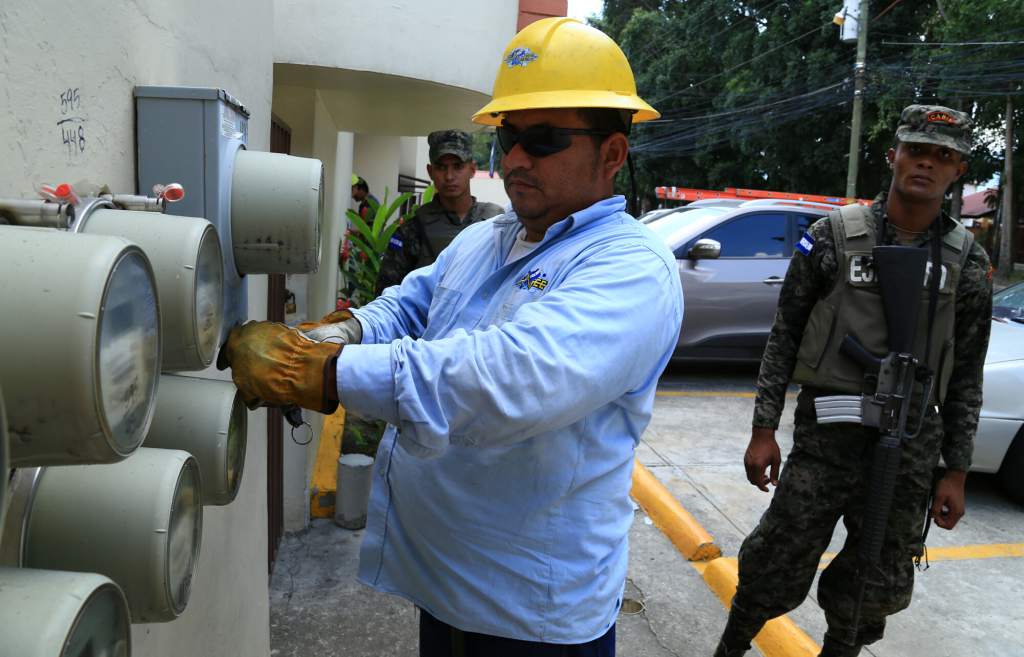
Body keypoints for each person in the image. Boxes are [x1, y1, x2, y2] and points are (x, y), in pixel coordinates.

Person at [218, 17, 679, 657]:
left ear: (611, 154)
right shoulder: (485, 239)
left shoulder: (632, 269)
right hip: (447, 592)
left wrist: (322, 374)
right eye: (508, 138)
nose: (515, 158)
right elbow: (408, 307)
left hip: (531, 618)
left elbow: (504, 380)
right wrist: (335, 335)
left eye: (542, 140)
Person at [713, 105, 992, 657]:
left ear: (958, 170)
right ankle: (729, 648)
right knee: (776, 559)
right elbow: (785, 334)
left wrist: (955, 471)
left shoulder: (970, 263)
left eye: (944, 156)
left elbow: (965, 377)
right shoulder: (833, 237)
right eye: (916, 149)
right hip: (825, 444)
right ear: (894, 156)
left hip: (909, 450)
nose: (926, 164)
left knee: (875, 582)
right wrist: (763, 428)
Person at [375, 129, 504, 293]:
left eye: (457, 166)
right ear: (430, 171)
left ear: (472, 169)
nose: (449, 176)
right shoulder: (411, 231)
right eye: (441, 167)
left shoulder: (497, 223)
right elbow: (385, 294)